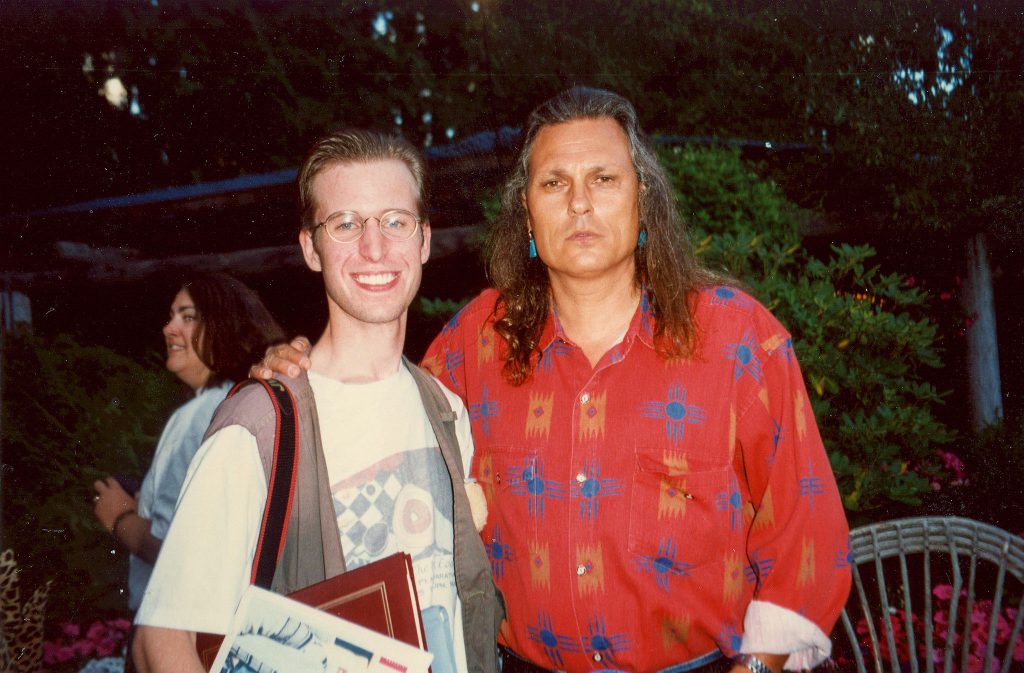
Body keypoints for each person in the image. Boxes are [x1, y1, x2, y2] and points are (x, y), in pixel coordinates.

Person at [259, 87, 851, 673]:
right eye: (553, 183)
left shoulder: (738, 340)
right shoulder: (475, 342)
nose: (579, 204)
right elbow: (380, 416)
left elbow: (809, 533)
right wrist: (303, 369)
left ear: (642, 199)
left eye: (604, 179)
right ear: (527, 213)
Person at [132, 129, 501, 673]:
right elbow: (162, 641)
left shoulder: (445, 409)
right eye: (346, 224)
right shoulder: (260, 425)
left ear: (423, 240)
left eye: (395, 221)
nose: (374, 248)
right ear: (311, 247)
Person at [92, 272, 285, 616]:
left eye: (189, 317)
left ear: (226, 325)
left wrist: (119, 516)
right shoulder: (250, 402)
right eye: (171, 316)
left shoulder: (200, 414)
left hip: (176, 627)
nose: (169, 328)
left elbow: (174, 552)